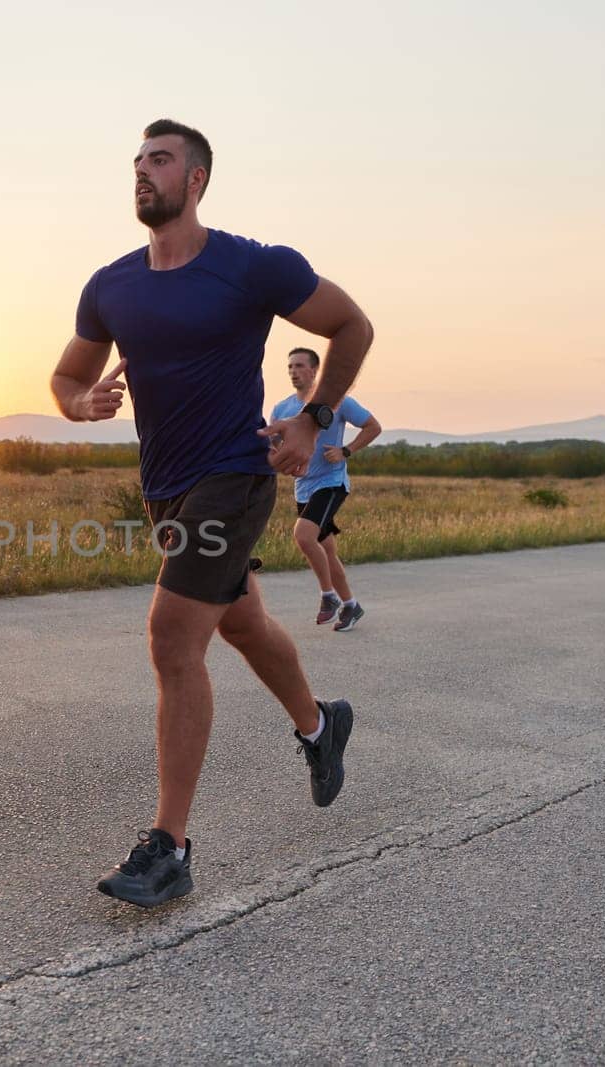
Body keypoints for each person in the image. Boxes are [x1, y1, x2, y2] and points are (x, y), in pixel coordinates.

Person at [50, 119, 375, 908]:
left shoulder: (251, 266)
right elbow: (64, 377)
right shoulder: (110, 284)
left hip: (236, 474)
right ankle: (319, 724)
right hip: (165, 487)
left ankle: (170, 846)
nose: (142, 172)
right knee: (238, 623)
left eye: (159, 160)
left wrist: (310, 416)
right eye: (136, 161)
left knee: (171, 637)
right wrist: (79, 402)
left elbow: (351, 324)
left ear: (195, 179)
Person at [272, 347, 382, 631]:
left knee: (304, 536)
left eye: (299, 366)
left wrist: (346, 450)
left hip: (332, 482)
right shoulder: (281, 409)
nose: (294, 372)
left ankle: (328, 596)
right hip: (303, 487)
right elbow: (275, 448)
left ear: (314, 370)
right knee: (326, 551)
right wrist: (286, 463)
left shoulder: (338, 402)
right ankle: (351, 606)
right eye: (290, 367)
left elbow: (373, 426)